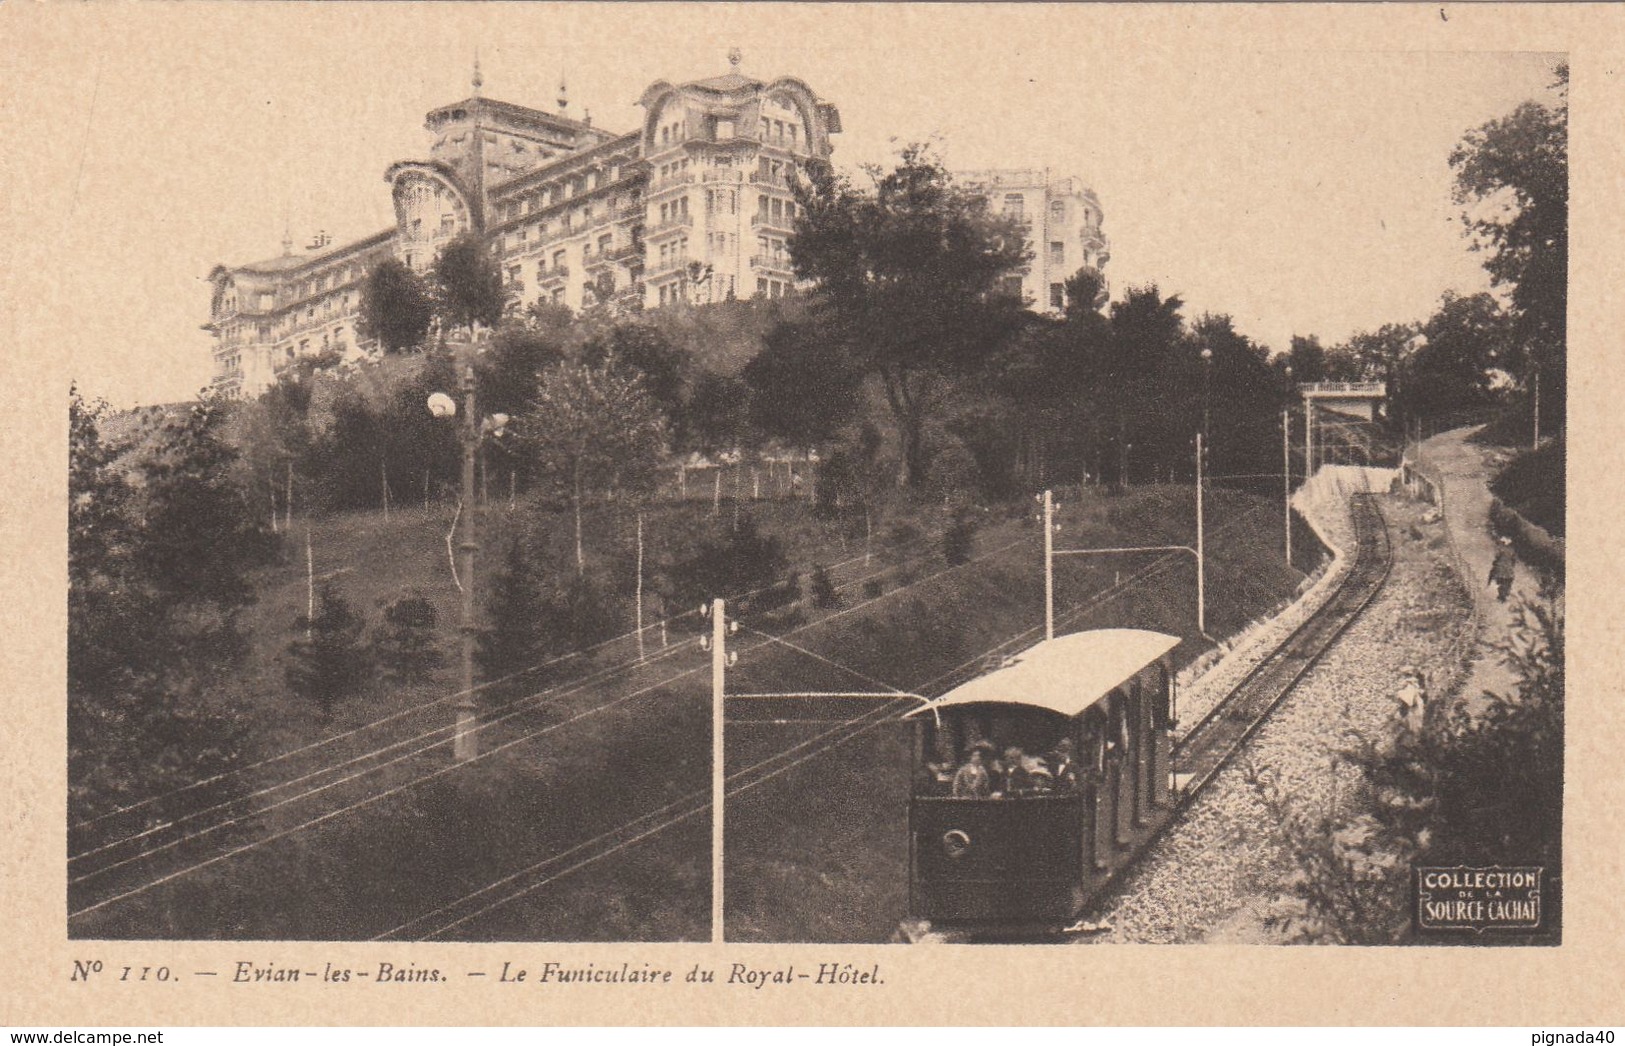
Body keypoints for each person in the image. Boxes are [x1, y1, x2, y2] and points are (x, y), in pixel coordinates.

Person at [1489, 536, 1517, 602]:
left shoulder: (1500, 549)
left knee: (1500, 580)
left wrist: (1496, 563)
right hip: (1509, 570)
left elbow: (1497, 557)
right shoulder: (1512, 550)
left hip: (1500, 568)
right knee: (1507, 581)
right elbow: (1514, 561)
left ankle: (1501, 595)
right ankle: (1504, 594)